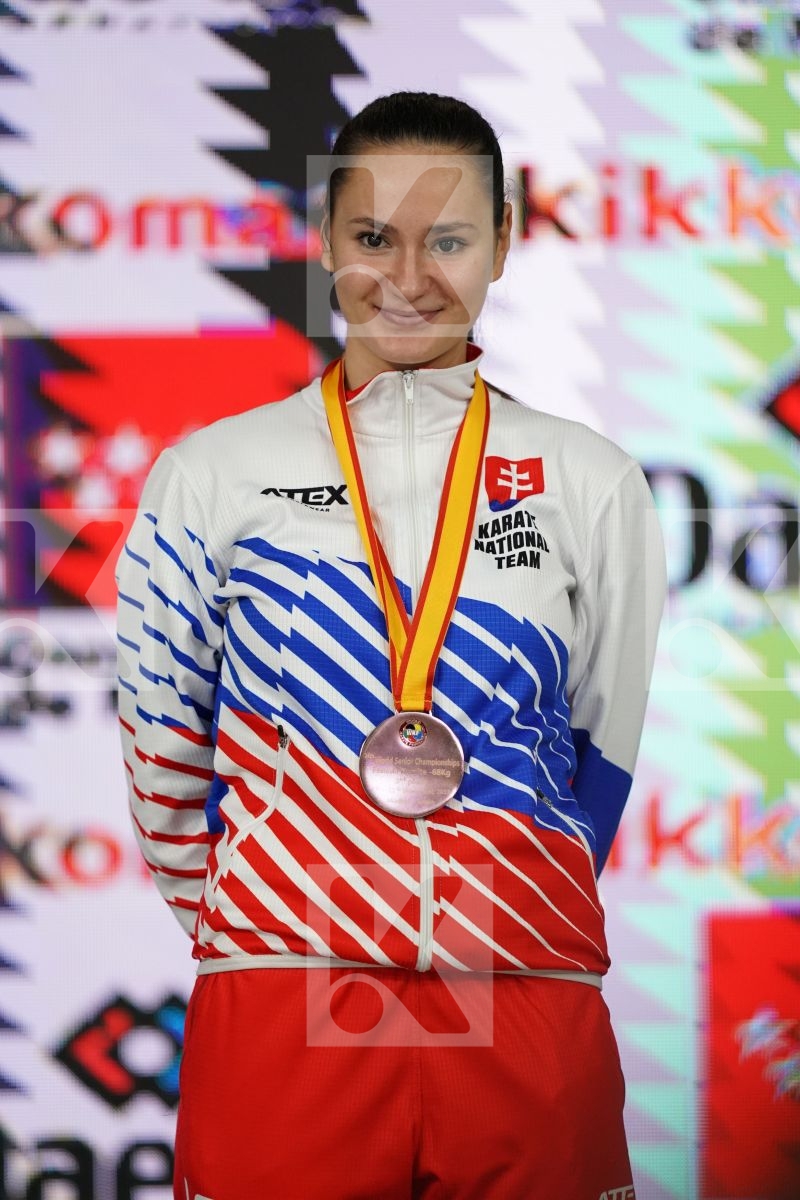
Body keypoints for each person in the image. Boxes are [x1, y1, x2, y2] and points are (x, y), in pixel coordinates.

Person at [116, 91, 666, 1200]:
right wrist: (266, 916)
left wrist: (504, 898)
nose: (408, 278)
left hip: (524, 991)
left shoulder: (589, 478)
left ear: (504, 244)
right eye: (373, 238)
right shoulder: (209, 474)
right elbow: (159, 741)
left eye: (449, 239)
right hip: (283, 999)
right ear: (325, 241)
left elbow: (595, 759)